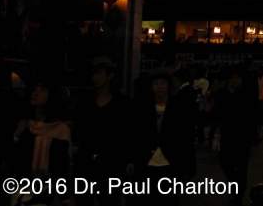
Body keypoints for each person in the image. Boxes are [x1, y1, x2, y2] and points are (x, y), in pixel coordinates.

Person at [134, 70, 196, 203]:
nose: (159, 87)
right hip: (147, 162)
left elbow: (186, 137)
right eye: (156, 83)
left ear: (169, 86)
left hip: (171, 161)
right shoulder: (142, 108)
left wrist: (188, 165)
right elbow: (136, 136)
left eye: (163, 83)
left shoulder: (179, 108)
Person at [75, 57, 129, 206]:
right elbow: (79, 129)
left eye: (99, 73)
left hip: (111, 161)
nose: (95, 78)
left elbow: (125, 134)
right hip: (86, 160)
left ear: (109, 76)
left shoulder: (121, 103)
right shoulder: (85, 101)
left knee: (110, 200)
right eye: (94, 74)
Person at [11, 80, 71, 203]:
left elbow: (62, 168)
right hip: (23, 192)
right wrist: (16, 136)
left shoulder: (60, 130)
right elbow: (15, 161)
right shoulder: (26, 126)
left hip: (49, 194)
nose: (35, 93)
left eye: (42, 89)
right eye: (35, 89)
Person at [216, 66, 257, 206]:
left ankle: (239, 193)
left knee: (241, 166)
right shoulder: (222, 94)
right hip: (227, 134)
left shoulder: (246, 95)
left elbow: (251, 116)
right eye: (234, 78)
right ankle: (236, 187)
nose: (236, 80)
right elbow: (217, 114)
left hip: (242, 136)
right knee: (225, 162)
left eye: (238, 78)